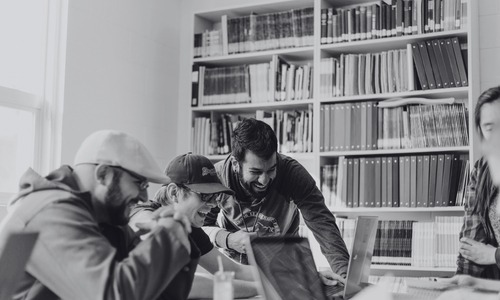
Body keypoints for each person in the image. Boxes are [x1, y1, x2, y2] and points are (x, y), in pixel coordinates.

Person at [0, 130, 194, 300]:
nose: (144, 197)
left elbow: (157, 294)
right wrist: (168, 237)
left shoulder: (104, 219)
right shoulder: (49, 213)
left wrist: (173, 236)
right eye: (139, 184)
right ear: (103, 174)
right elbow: (114, 294)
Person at [203, 118, 350, 284]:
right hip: (237, 272)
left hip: (286, 269)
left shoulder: (292, 173)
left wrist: (345, 277)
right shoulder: (216, 178)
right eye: (255, 172)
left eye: (271, 169)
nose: (264, 180)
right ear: (236, 164)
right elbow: (201, 228)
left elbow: (322, 223)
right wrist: (228, 240)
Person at [129, 153, 258, 299]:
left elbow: (233, 270)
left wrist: (280, 275)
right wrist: (261, 288)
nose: (212, 205)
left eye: (215, 197)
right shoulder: (145, 216)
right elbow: (180, 283)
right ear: (174, 193)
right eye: (205, 196)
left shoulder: (188, 225)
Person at [457, 86, 500, 279]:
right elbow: (471, 244)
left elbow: (485, 253)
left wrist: (493, 255)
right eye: (490, 128)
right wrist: (461, 286)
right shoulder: (482, 170)